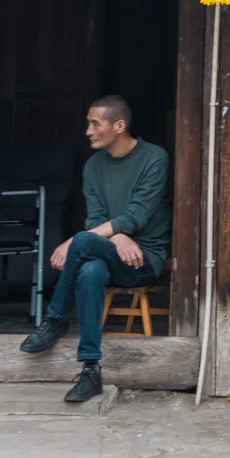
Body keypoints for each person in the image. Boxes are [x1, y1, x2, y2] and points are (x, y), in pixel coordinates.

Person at [20, 97, 171, 403]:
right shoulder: (93, 166)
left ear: (119, 126)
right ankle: (91, 370)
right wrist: (117, 237)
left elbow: (137, 215)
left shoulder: (154, 158)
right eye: (88, 124)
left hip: (143, 259)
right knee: (90, 271)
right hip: (108, 253)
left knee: (82, 240)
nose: (88, 131)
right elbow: (96, 219)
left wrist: (78, 240)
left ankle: (55, 318)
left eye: (95, 124)